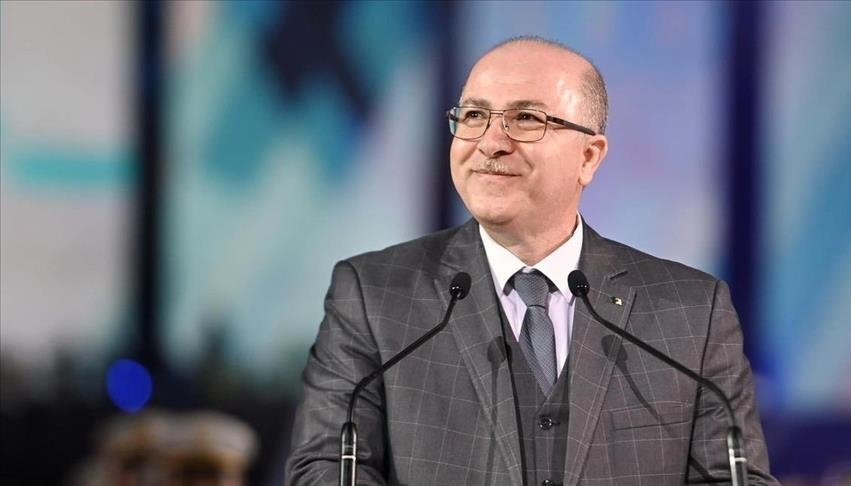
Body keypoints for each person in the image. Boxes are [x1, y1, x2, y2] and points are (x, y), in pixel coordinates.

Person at [285, 36, 778, 485]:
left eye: (526, 119)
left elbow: (735, 479)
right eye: (474, 116)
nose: (491, 142)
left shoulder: (691, 312)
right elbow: (324, 470)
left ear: (589, 157)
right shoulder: (374, 295)